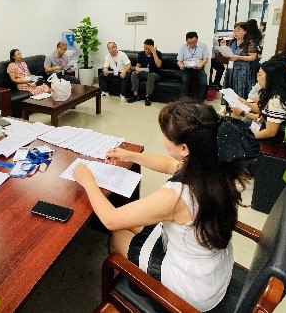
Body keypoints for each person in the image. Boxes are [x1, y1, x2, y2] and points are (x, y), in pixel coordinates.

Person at [73, 99, 247, 311]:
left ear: (184, 148)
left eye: (166, 134)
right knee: (132, 224)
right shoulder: (214, 164)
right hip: (212, 270)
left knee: (118, 234)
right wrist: (130, 155)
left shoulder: (175, 197)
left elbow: (110, 219)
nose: (163, 137)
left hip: (191, 291)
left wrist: (88, 181)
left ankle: (122, 299)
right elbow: (170, 165)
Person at [231, 61, 286, 144]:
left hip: (276, 142)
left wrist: (247, 138)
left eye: (260, 75)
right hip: (269, 132)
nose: (257, 78)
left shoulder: (277, 100)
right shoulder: (279, 93)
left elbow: (270, 132)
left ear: (271, 78)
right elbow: (264, 115)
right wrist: (246, 105)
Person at [220, 22, 258, 104]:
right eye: (234, 31)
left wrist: (239, 57)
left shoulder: (249, 43)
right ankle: (229, 106)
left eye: (238, 30)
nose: (235, 33)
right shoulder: (232, 42)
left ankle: (240, 106)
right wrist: (223, 46)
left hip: (243, 70)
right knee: (229, 86)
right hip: (231, 68)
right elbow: (227, 55)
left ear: (245, 31)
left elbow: (252, 57)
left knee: (240, 87)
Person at [127, 38, 162, 106]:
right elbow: (138, 66)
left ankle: (147, 97)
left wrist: (154, 53)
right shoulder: (141, 54)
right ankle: (135, 95)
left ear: (152, 47)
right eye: (145, 48)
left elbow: (158, 65)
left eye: (148, 49)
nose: (146, 50)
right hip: (143, 73)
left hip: (155, 74)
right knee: (134, 74)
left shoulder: (158, 53)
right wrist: (137, 70)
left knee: (151, 75)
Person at [177, 31, 208, 101]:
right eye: (190, 43)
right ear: (186, 41)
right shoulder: (183, 47)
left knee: (203, 82)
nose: (192, 44)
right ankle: (183, 102)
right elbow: (179, 61)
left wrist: (201, 64)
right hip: (186, 69)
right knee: (185, 81)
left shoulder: (203, 46)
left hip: (198, 69)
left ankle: (199, 102)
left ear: (197, 39)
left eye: (194, 42)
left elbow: (205, 59)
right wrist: (181, 65)